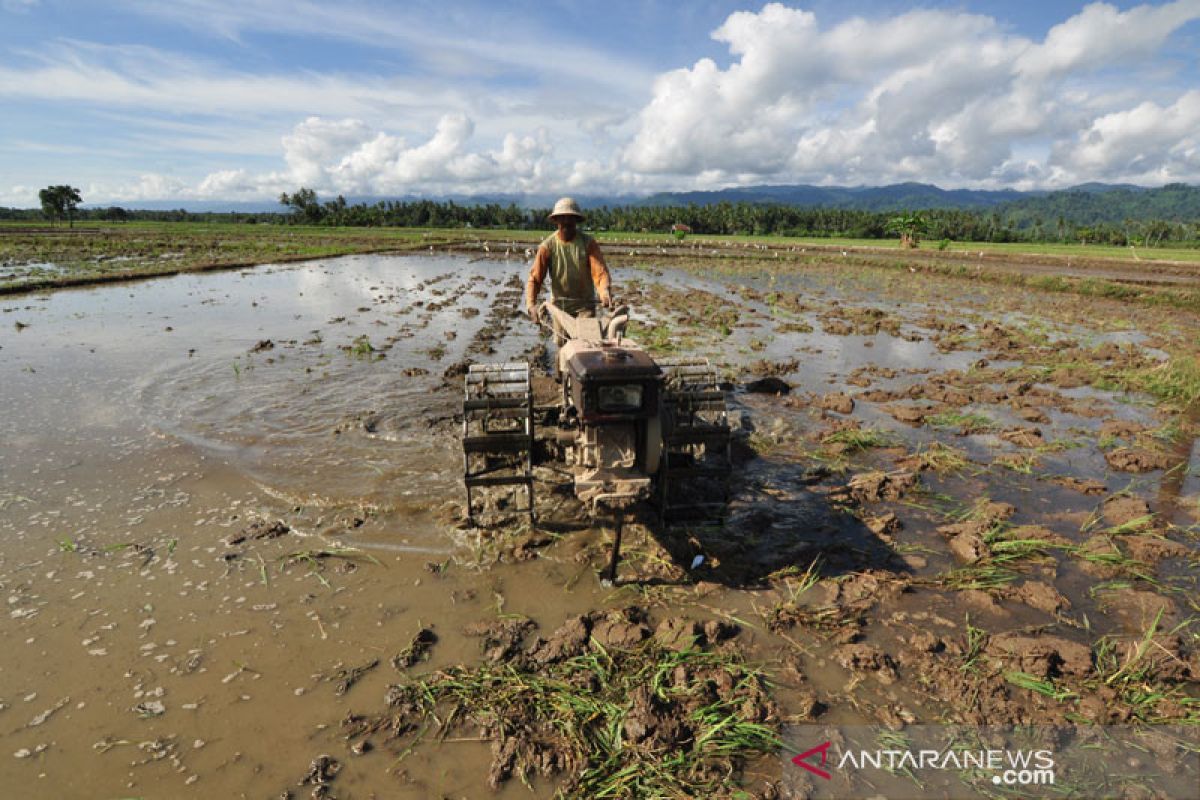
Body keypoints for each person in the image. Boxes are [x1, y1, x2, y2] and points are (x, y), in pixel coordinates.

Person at [524, 197, 613, 343]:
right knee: (562, 347)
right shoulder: (547, 246)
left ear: (576, 221)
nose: (566, 222)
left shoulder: (588, 243)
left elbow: (600, 273)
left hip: (585, 306)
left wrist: (604, 291)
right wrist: (531, 305)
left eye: (570, 219)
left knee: (587, 345)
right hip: (560, 307)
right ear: (556, 220)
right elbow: (535, 279)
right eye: (562, 218)